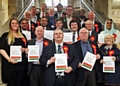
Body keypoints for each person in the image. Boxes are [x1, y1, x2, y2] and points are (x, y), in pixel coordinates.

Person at [0, 18, 28, 86]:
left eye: (16, 23)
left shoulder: (22, 36)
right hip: (10, 66)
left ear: (19, 25)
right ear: (10, 25)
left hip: (21, 65)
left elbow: (26, 47)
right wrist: (9, 59)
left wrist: (25, 50)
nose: (15, 25)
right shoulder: (5, 36)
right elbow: (1, 49)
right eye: (13, 23)